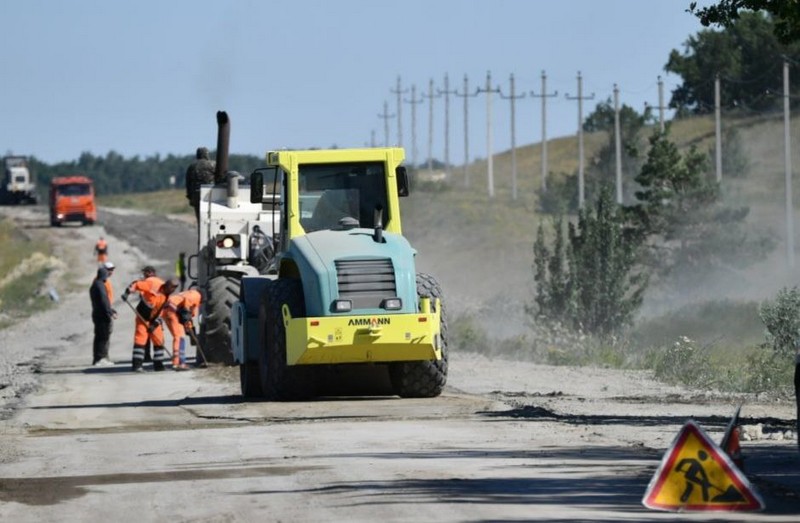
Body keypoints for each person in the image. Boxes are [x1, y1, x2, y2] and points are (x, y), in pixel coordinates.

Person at [122, 266, 173, 372]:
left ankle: (159, 366)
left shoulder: (167, 295)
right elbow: (136, 284)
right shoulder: (151, 282)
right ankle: (137, 366)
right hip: (142, 316)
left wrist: (155, 324)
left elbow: (163, 313)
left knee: (159, 340)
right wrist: (127, 292)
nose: (143, 276)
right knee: (140, 339)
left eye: (145, 273)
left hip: (154, 318)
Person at [162, 286, 202, 370]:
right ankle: (178, 363)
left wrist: (190, 328)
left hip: (167, 311)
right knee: (179, 337)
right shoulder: (196, 295)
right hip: (172, 311)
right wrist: (188, 324)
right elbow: (186, 311)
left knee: (179, 336)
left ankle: (180, 362)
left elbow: (188, 315)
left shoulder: (188, 293)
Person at [89, 264, 117, 366]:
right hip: (102, 314)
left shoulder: (96, 284)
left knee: (100, 336)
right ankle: (100, 359)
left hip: (98, 313)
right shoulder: (100, 285)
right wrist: (110, 311)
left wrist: (110, 309)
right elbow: (104, 300)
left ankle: (98, 358)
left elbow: (104, 301)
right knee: (103, 337)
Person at [185, 146, 216, 220]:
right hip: (211, 194)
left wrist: (190, 197)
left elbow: (188, 183)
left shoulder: (192, 166)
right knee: (212, 217)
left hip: (196, 195)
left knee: (200, 218)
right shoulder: (213, 164)